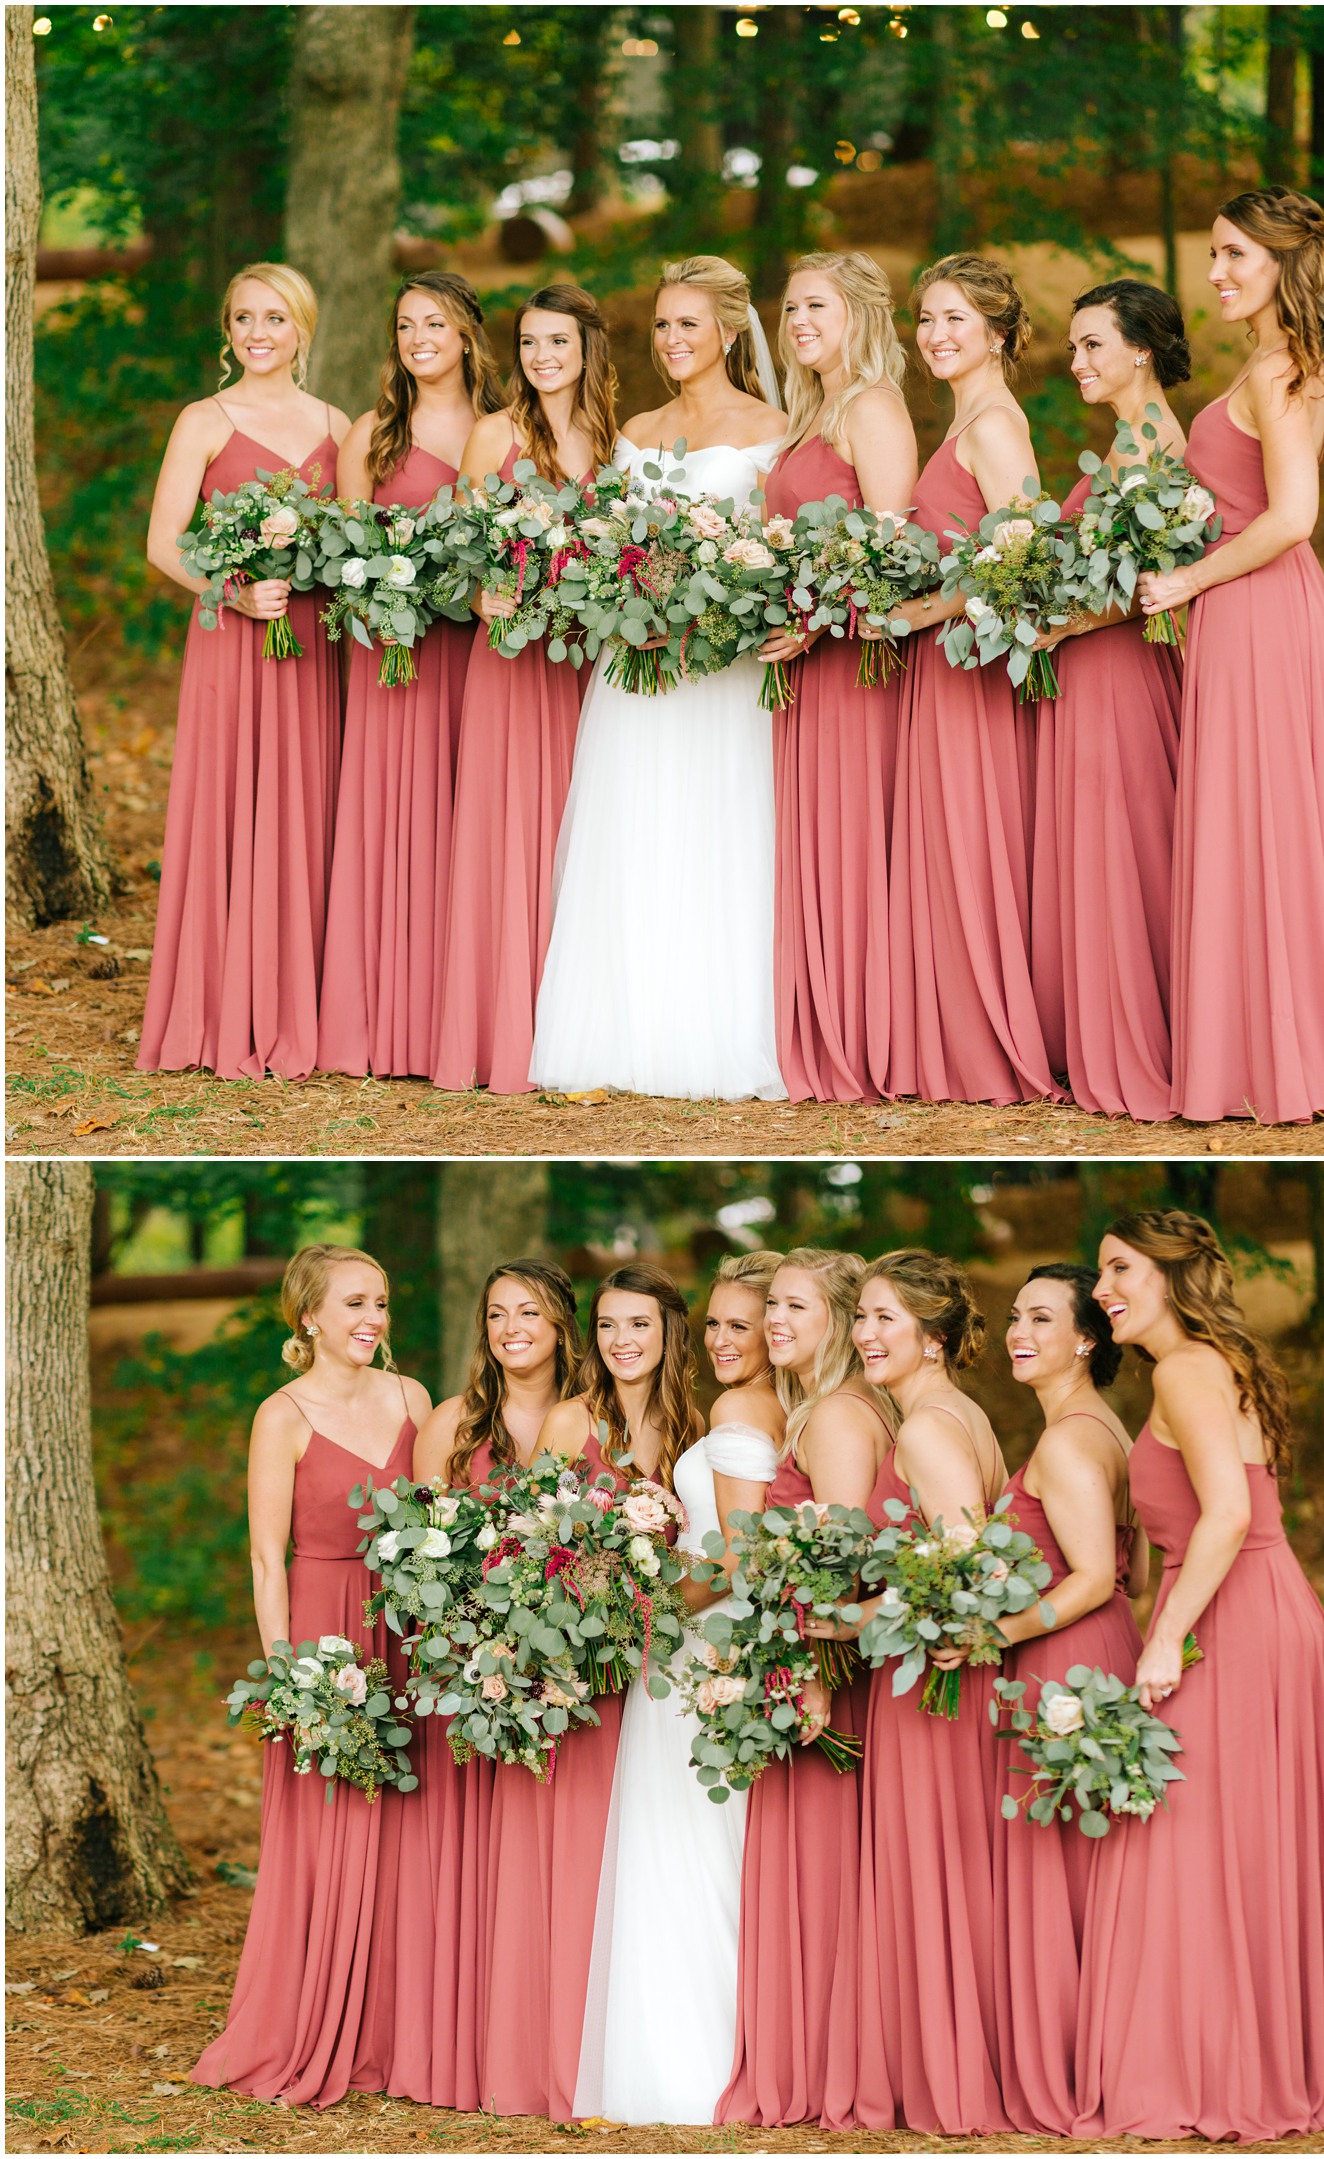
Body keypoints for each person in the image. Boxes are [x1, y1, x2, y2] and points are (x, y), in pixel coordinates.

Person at [1073, 1209, 1324, 2139]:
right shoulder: (1194, 1367)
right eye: (1101, 1272)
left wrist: (1167, 1640)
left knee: (1191, 1830)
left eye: (1120, 1269)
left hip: (1235, 1613)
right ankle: (1236, 2050)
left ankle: (1210, 2066)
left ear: (1170, 1275)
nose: (1103, 1288)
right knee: (1220, 1832)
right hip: (1246, 1608)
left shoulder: (1194, 1368)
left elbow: (1230, 1514)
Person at [1137, 187, 1324, 1122]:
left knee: (1267, 821)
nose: (1216, 272)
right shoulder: (1270, 359)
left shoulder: (1286, 366)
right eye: (1214, 255)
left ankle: (1285, 1052)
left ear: (1281, 263)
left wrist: (1186, 581)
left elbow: (1294, 518)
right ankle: (1258, 1044)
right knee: (1247, 821)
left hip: (1257, 608)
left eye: (1234, 256)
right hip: (1244, 606)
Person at [529, 257, 787, 1100]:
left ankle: (708, 1030)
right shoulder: (635, 427)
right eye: (663, 325)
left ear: (729, 332)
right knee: (631, 826)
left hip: (717, 664)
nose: (673, 340)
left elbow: (780, 553)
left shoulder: (772, 426)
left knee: (714, 830)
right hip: (634, 663)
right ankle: (620, 1027)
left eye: (689, 324)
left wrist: (723, 588)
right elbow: (608, 535)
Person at [191, 1246, 429, 2104]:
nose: (373, 1316)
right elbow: (264, 1557)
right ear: (310, 1317)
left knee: (407, 1823)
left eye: (383, 1300)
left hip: (403, 1628)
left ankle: (395, 2027)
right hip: (325, 1629)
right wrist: (293, 1678)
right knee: (329, 1827)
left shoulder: (412, 1397)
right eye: (356, 1301)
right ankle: (309, 2017)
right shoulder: (281, 1414)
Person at [575, 1252, 783, 2123]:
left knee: (689, 1850)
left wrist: (646, 1614)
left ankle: (686, 2063)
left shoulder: (729, 1410)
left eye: (753, 1322)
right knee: (696, 1851)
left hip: (691, 1651)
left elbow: (736, 1555)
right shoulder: (763, 1407)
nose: (737, 1338)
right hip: (691, 1651)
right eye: (725, 1323)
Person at [385, 1259, 582, 2113]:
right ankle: (456, 2047)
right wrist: (470, 1648)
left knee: (548, 1862)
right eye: (497, 1313)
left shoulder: (593, 1419)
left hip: (566, 1673)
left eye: (529, 1311)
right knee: (464, 1862)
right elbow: (412, 1550)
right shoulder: (451, 1423)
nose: (511, 1327)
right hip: (467, 1677)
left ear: (562, 1324)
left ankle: (542, 2040)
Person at [140, 264, 347, 1080]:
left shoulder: (336, 422)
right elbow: (163, 543)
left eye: (274, 318)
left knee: (306, 807)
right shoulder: (204, 419)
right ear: (227, 332)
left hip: (310, 647)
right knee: (230, 806)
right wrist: (232, 588)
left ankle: (303, 1002)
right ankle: (219, 1007)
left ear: (303, 327)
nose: (257, 333)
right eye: (242, 319)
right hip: (232, 639)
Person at [832, 1251, 1009, 2135]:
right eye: (860, 1316)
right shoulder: (956, 1412)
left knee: (933, 1870)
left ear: (933, 1337)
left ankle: (947, 2076)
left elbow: (966, 1568)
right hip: (941, 1674)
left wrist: (854, 1621)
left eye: (885, 1319)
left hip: (932, 1681)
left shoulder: (927, 1429)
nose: (865, 1334)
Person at [717, 1248, 894, 2127]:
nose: (773, 1319)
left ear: (839, 1319)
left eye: (793, 1305)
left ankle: (826, 2062)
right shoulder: (818, 1412)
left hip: (829, 1680)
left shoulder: (834, 1417)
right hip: (814, 1667)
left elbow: (845, 1561)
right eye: (771, 1304)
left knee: (821, 1871)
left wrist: (813, 1680)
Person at [430, 285, 617, 1095]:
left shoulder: (618, 442)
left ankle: (573, 1028)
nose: (543, 357)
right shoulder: (494, 435)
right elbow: (458, 555)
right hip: (510, 661)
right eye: (531, 342)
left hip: (589, 662)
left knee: (582, 839)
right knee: (508, 839)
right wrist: (481, 598)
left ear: (587, 351)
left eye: (558, 342)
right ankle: (497, 1031)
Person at [317, 275, 504, 1080]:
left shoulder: (505, 427)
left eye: (435, 323)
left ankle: (465, 1017)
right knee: (399, 820)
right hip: (397, 654)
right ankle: (387, 1019)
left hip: (483, 654)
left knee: (473, 823)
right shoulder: (371, 434)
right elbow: (346, 555)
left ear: (466, 335)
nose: (418, 337)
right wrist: (396, 592)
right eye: (404, 324)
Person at [881, 255, 1054, 1106]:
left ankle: (984, 1042)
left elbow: (1024, 555)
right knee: (941, 848)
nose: (936, 335)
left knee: (967, 844)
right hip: (943, 658)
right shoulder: (963, 418)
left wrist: (923, 611)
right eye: (926, 319)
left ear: (996, 332)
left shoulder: (993, 425)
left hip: (968, 664)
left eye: (955, 319)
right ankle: (950, 1036)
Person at [760, 252, 919, 1103]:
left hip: (852, 662)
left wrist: (812, 617)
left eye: (816, 306)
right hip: (804, 665)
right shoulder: (810, 410)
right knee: (811, 844)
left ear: (858, 313)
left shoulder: (873, 407)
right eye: (790, 310)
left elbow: (893, 546)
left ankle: (862, 1032)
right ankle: (818, 1022)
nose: (800, 323)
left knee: (851, 842)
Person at [991, 1263, 1145, 2133]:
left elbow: (1092, 1576)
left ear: (1087, 1337)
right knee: (1090, 1861)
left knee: (1070, 1863)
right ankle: (1092, 2053)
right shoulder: (1100, 1429)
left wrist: (995, 1633)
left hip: (1067, 1664)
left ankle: (1084, 2064)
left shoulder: (1068, 1442)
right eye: (1016, 1316)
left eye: (1042, 1318)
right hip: (1094, 1651)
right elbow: (1136, 1567)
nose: (1020, 1331)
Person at [1031, 280, 1189, 1121]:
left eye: (1093, 343)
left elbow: (1143, 586)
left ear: (1141, 348)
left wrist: (1056, 624)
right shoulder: (1131, 437)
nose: (1077, 359)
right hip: (1096, 669)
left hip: (1116, 672)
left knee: (1122, 853)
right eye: (1073, 343)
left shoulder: (1152, 443)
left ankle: (1137, 1042)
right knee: (1108, 855)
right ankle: (1113, 1030)